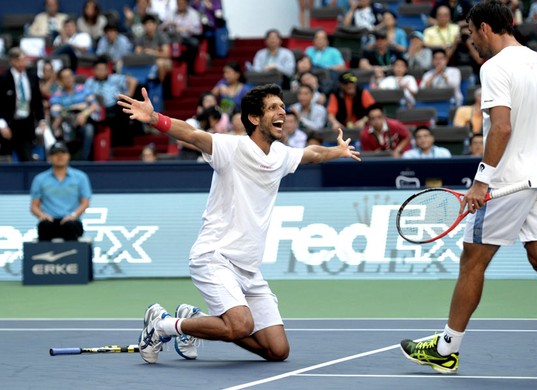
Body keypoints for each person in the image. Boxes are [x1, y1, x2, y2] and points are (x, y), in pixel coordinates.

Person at [400, 0, 537, 378]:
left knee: (472, 261)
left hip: (508, 183)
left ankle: (446, 349)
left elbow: (501, 128)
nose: (470, 41)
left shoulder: (494, 67)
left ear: (484, 28)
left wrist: (481, 181)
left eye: (469, 33)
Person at [116, 83, 361, 364]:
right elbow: (192, 135)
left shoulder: (281, 155)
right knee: (240, 325)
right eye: (273, 107)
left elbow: (313, 153)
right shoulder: (232, 147)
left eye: (282, 106)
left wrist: (337, 151)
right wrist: (155, 118)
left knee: (277, 351)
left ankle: (196, 320)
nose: (282, 111)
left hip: (248, 269)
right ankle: (162, 325)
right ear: (255, 118)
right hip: (215, 256)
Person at [30, 141, 92, 242]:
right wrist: (43, 216)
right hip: (49, 221)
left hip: (72, 221)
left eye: (63, 153)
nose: (60, 157)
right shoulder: (40, 179)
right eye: (56, 154)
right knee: (44, 226)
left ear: (68, 156)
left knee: (70, 226)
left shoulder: (80, 177)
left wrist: (73, 215)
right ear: (49, 157)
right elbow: (34, 206)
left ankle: (73, 257)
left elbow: (85, 202)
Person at [0, 48, 46, 162]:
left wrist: (41, 120)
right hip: (8, 123)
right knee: (6, 160)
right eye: (19, 60)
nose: (22, 63)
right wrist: (2, 124)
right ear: (12, 61)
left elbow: (37, 102)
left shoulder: (32, 77)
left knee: (27, 158)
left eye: (24, 60)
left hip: (26, 123)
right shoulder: (3, 79)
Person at [84, 57, 139, 146]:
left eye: (103, 69)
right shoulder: (89, 82)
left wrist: (129, 95)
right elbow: (85, 96)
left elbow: (133, 81)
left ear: (107, 70)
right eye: (99, 70)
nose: (101, 72)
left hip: (113, 107)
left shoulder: (114, 78)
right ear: (94, 71)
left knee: (124, 108)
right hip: (96, 108)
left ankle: (125, 143)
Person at [50, 67, 98, 161]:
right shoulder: (58, 94)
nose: (69, 79)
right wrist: (76, 107)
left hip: (82, 123)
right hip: (66, 123)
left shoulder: (82, 89)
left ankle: (84, 161)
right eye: (65, 77)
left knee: (89, 129)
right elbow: (55, 111)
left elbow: (94, 105)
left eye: (70, 76)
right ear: (60, 81)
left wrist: (84, 113)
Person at [134, 14, 173, 84]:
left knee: (160, 63)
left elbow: (166, 54)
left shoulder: (161, 36)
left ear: (155, 25)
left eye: (150, 23)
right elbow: (137, 52)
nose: (148, 26)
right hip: (146, 60)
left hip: (162, 60)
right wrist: (144, 52)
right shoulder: (141, 37)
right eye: (146, 24)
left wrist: (153, 52)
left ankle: (160, 86)